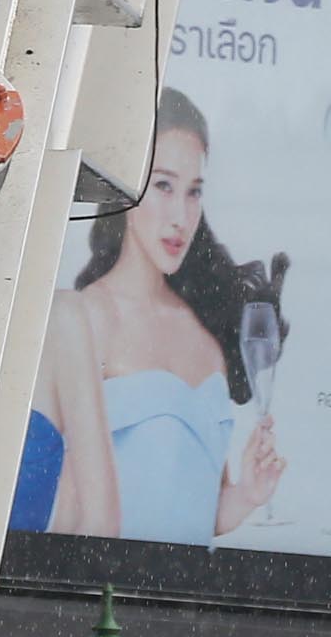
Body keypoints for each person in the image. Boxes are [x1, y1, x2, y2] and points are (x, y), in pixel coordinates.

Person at [28, 90, 284, 544]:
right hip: (97, 595)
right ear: (127, 185)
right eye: (163, 185)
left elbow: (196, 507)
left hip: (181, 599)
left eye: (194, 192)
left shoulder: (204, 334)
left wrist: (245, 496)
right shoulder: (86, 318)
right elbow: (67, 505)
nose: (180, 217)